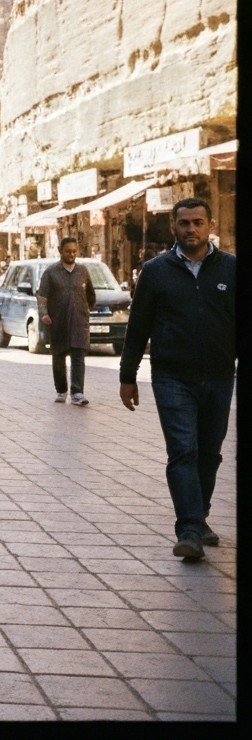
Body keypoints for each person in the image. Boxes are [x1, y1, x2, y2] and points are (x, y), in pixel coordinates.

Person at [119, 198, 236, 561]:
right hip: (171, 376)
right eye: (184, 223)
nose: (191, 229)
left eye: (198, 222)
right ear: (174, 227)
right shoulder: (156, 270)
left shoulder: (231, 268)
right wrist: (128, 376)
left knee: (210, 453)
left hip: (218, 375)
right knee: (183, 450)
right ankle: (188, 528)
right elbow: (138, 327)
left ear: (210, 225)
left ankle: (199, 519)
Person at [37, 237, 96, 405]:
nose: (71, 254)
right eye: (68, 251)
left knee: (79, 356)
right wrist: (44, 314)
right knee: (59, 357)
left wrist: (85, 310)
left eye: (74, 251)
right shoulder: (51, 272)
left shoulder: (82, 271)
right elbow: (42, 296)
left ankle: (77, 393)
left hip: (79, 322)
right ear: (60, 251)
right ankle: (61, 390)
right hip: (58, 321)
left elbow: (90, 294)